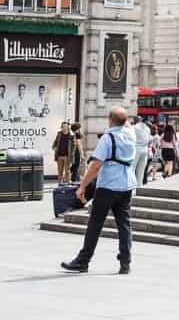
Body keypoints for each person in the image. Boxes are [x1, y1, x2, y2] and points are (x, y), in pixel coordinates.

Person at [60, 107, 137, 274]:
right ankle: (125, 262)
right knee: (124, 224)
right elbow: (126, 123)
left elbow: (95, 166)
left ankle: (83, 261)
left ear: (109, 120)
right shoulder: (131, 134)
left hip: (108, 186)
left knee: (95, 224)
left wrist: (82, 186)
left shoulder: (108, 138)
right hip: (127, 186)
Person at [130, 117, 151, 190]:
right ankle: (140, 184)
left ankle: (132, 185)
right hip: (145, 149)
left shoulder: (133, 127)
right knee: (141, 169)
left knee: (132, 168)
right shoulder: (148, 129)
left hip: (136, 148)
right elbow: (149, 140)